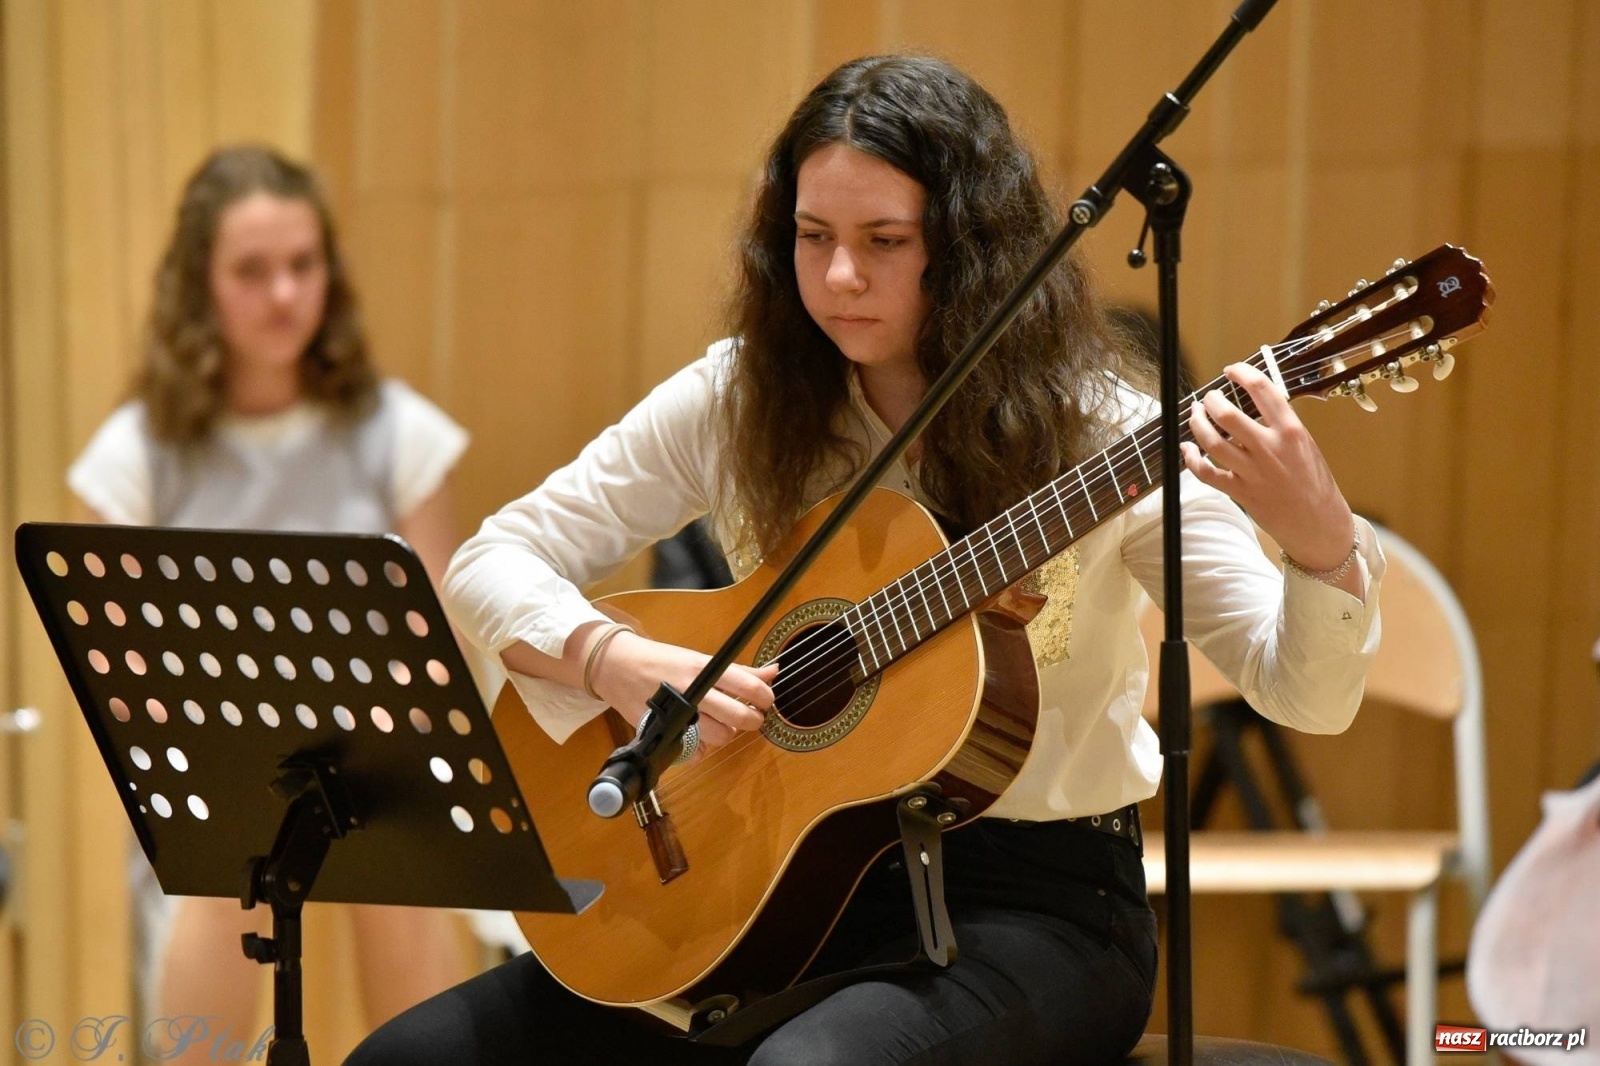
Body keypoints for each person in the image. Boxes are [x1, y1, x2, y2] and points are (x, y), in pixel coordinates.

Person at [346, 54, 1385, 1066]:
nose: (840, 276)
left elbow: (1303, 691)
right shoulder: (740, 398)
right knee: (409, 1055)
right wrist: (608, 657)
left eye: (885, 240)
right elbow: (494, 558)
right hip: (765, 886)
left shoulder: (1103, 435)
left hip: (1034, 909)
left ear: (970, 246)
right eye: (812, 236)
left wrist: (1320, 541)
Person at [67, 145, 474, 1055]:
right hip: (210, 767)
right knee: (219, 866)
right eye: (252, 271)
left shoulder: (398, 431)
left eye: (303, 264)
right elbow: (115, 674)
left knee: (399, 866)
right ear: (198, 284)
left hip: (376, 759)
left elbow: (444, 634)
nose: (285, 294)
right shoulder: (135, 452)